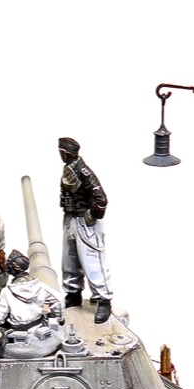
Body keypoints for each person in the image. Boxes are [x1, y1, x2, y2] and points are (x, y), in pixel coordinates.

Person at [58, 137, 113, 323]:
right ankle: (73, 294)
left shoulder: (83, 171)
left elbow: (101, 199)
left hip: (85, 221)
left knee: (92, 262)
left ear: (65, 153)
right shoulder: (69, 168)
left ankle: (104, 299)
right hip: (70, 218)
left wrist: (91, 215)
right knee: (69, 260)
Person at [0, 250, 62, 329]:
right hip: (38, 326)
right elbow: (58, 300)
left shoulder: (7, 292)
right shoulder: (40, 286)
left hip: (16, 330)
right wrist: (57, 318)